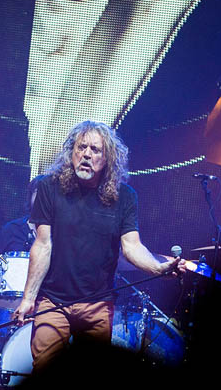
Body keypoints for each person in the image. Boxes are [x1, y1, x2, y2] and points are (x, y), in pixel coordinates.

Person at [10, 120, 182, 369]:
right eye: (81, 148)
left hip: (98, 305)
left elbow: (132, 247)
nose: (86, 155)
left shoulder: (125, 197)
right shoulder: (49, 188)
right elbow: (43, 245)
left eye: (95, 150)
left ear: (108, 158)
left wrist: (157, 268)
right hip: (53, 302)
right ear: (72, 152)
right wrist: (28, 298)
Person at [0, 174, 47, 255]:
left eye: (47, 195)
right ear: (31, 195)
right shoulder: (11, 230)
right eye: (38, 192)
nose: (42, 199)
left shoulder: (60, 235)